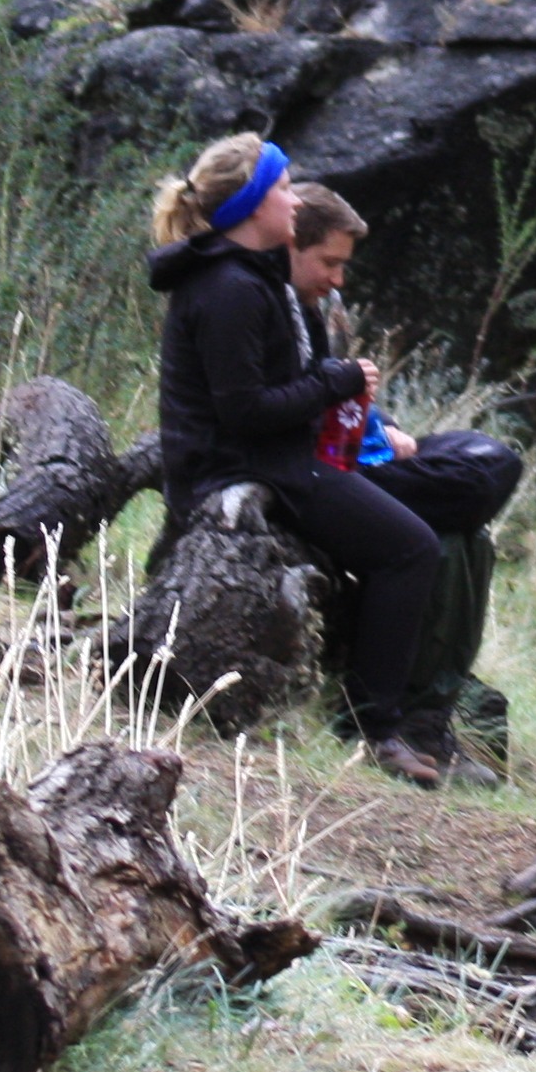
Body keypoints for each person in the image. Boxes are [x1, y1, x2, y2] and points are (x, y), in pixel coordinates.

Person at [146, 133, 448, 788]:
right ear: (256, 204)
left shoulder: (247, 275)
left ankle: (380, 712)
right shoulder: (229, 286)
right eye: (282, 187)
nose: (293, 197)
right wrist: (335, 382)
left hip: (268, 459)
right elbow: (245, 411)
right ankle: (378, 728)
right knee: (411, 549)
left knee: (407, 531)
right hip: (240, 473)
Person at [286, 184, 522, 780]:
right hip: (317, 475)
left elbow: (343, 391)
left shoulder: (314, 309)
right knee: (457, 512)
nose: (339, 279)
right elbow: (277, 407)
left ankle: (428, 716)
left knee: (483, 485)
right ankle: (391, 720)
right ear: (291, 244)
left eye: (344, 266)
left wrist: (383, 426)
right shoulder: (256, 302)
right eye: (330, 262)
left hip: (356, 459)